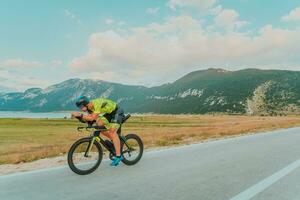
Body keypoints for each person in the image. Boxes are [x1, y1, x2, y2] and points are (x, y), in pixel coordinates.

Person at [71, 95, 125, 166]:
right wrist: (78, 117)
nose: (80, 109)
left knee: (112, 131)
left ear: (85, 104)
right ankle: (114, 141)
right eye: (79, 107)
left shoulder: (96, 104)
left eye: (81, 107)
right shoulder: (89, 109)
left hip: (117, 111)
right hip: (109, 113)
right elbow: (89, 120)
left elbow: (92, 118)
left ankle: (119, 156)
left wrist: (80, 115)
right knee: (100, 126)